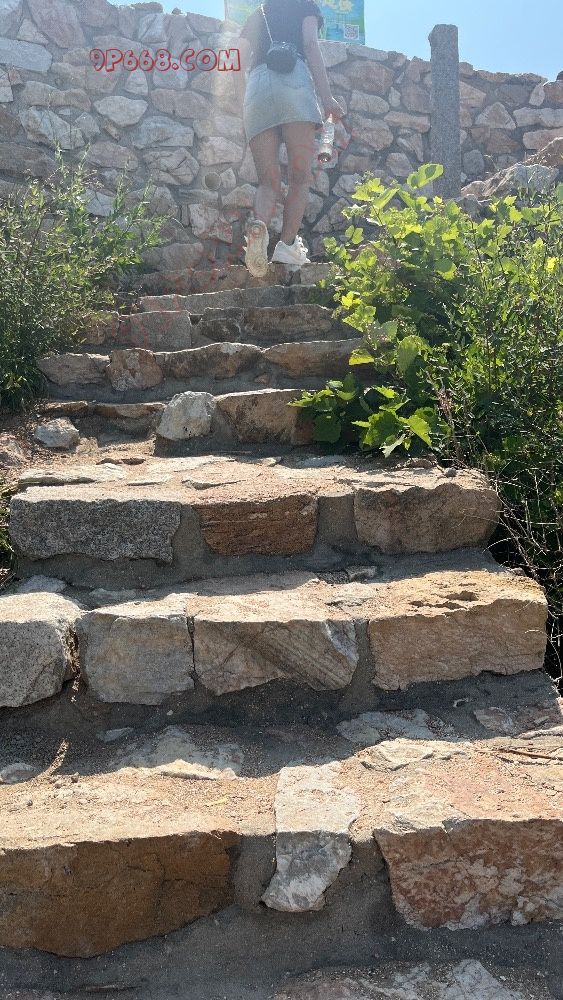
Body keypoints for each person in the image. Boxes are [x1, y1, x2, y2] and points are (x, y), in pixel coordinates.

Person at [237, 0, 344, 276]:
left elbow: (238, 60)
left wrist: (242, 104)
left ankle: (259, 230)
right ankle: (286, 246)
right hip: (292, 80)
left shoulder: (258, 13)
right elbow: (310, 44)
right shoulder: (304, 5)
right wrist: (327, 98)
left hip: (257, 90)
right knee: (300, 177)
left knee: (267, 182)